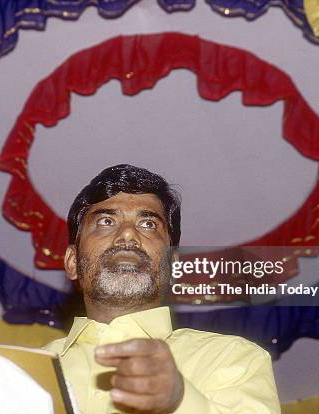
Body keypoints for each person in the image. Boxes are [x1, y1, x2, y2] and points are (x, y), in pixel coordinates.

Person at [44, 164, 281, 413]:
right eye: (106, 221)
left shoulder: (233, 359)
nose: (127, 234)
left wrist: (179, 402)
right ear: (72, 262)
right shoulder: (21, 371)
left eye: (148, 224)